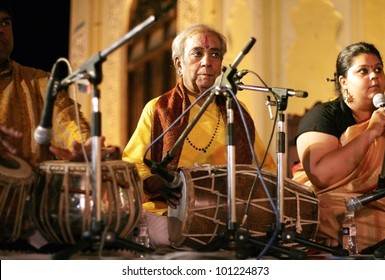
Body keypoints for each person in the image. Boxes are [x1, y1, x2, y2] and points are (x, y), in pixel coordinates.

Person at [122, 23, 276, 249]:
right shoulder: (159, 109)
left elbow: (264, 167)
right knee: (164, 233)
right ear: (179, 64)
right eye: (197, 53)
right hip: (168, 213)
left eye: (215, 54)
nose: (207, 61)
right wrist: (157, 183)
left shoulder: (236, 110)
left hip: (227, 215)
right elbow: (133, 165)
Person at [0, 2, 117, 248]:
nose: (1, 30)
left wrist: (85, 145)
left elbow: (68, 120)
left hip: (29, 225)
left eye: (5, 23)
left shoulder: (40, 84)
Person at [292, 42, 385, 251]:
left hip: (383, 201)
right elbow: (322, 175)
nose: (374, 76)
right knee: (324, 213)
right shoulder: (324, 117)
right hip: (334, 204)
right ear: (343, 82)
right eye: (363, 71)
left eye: (378, 69)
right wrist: (371, 132)